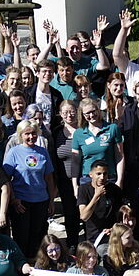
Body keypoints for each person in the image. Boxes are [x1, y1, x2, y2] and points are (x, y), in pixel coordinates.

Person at [3, 119, 57, 258]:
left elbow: (49, 178)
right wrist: (14, 199)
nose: (31, 137)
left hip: (41, 200)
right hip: (21, 202)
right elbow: (6, 179)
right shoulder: (14, 152)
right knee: (22, 237)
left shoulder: (43, 152)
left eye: (33, 133)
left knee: (38, 236)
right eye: (27, 134)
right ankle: (22, 268)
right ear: (20, 135)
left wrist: (51, 201)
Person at [71, 97, 125, 190]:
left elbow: (119, 156)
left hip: (109, 177)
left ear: (98, 110)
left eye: (93, 111)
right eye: (87, 113)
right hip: (88, 179)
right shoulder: (78, 133)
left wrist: (119, 180)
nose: (91, 115)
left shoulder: (112, 128)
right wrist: (75, 185)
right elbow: (75, 162)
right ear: (82, 115)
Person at [52, 100, 83, 243]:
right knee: (70, 213)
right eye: (65, 112)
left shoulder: (84, 129)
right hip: (65, 181)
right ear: (60, 114)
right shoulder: (56, 132)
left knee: (86, 212)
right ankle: (72, 243)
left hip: (84, 179)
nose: (69, 115)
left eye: (72, 111)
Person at [78, 160, 124, 245]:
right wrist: (96, 196)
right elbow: (84, 216)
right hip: (94, 237)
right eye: (98, 174)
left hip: (112, 234)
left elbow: (121, 214)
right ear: (91, 174)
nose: (102, 177)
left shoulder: (114, 189)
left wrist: (114, 229)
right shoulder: (83, 189)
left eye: (105, 174)